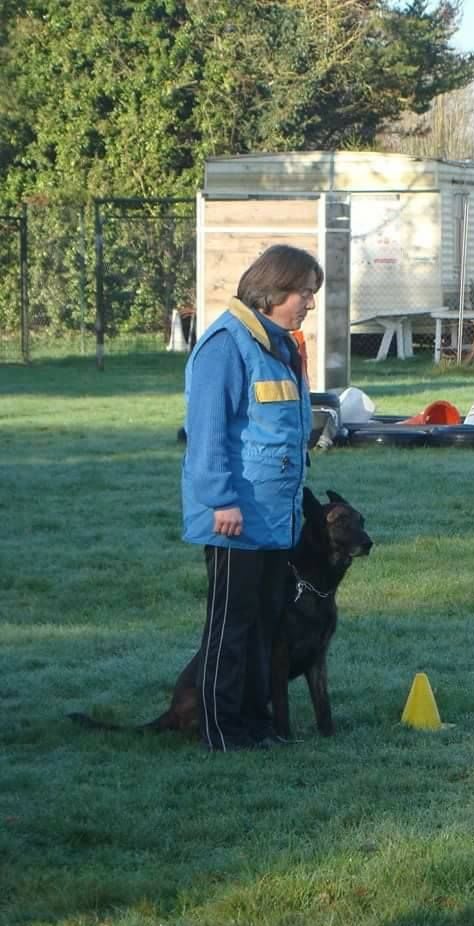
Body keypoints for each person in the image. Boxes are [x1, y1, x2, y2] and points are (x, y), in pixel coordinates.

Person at [181, 244, 323, 751]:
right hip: (233, 519)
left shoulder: (279, 344)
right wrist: (221, 502)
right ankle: (220, 730)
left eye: (311, 293)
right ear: (272, 290)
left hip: (273, 517)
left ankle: (258, 724)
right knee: (230, 628)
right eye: (303, 292)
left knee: (265, 625)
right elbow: (207, 433)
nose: (309, 302)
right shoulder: (225, 344)